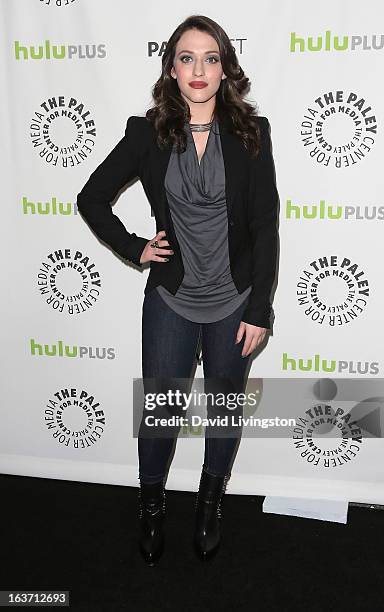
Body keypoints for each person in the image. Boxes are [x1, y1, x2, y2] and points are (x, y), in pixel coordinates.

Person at [76, 14, 279, 566]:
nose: (199, 69)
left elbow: (264, 225)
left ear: (224, 69)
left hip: (234, 299)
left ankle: (209, 504)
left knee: (223, 409)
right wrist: (135, 246)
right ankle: (151, 504)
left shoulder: (250, 133)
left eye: (210, 58)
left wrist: (260, 309)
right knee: (162, 412)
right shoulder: (147, 133)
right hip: (171, 298)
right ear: (171, 67)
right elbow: (91, 198)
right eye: (187, 57)